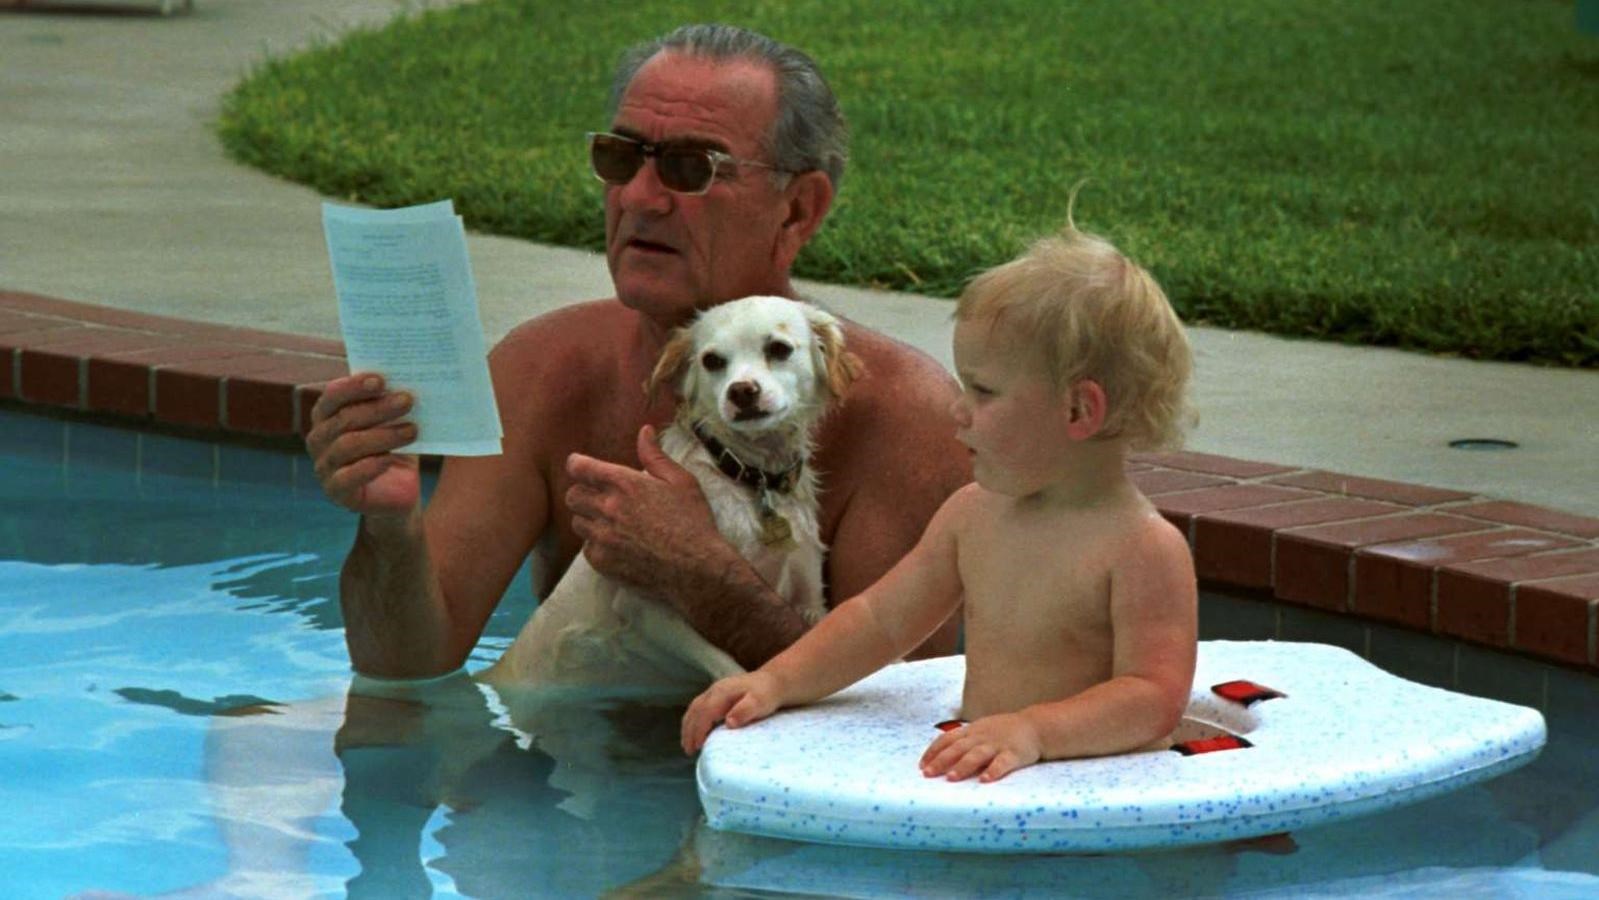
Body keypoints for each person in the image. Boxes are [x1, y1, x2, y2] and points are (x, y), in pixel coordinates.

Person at [304, 24, 969, 681]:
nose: (638, 198)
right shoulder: (541, 372)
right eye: (620, 157)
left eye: (690, 168)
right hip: (562, 771)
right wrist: (390, 531)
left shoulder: (902, 415)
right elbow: (403, 664)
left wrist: (706, 580)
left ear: (797, 210)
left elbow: (904, 727)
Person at [681, 222, 1199, 783]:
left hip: (1100, 796)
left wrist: (1033, 732)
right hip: (990, 773)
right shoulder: (972, 515)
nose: (958, 409)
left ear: (1078, 410)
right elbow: (879, 621)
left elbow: (1152, 697)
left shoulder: (1143, 549)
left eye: (983, 391)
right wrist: (775, 682)